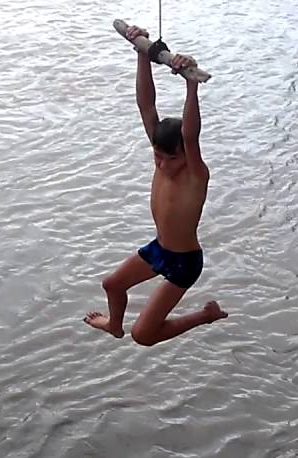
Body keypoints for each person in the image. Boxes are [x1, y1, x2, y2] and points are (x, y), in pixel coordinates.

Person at [84, 25, 227, 346]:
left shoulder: (194, 173)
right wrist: (143, 53)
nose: (162, 164)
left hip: (184, 263)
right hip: (160, 249)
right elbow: (146, 107)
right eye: (157, 157)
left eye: (169, 158)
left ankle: (206, 315)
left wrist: (191, 87)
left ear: (185, 155)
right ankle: (113, 326)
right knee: (112, 284)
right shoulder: (164, 158)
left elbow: (190, 135)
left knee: (144, 336)